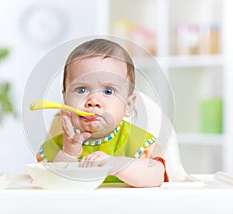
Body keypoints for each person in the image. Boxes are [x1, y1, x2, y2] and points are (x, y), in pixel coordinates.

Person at [36, 38, 169, 187]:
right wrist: (69, 152)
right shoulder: (60, 144)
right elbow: (55, 183)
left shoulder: (136, 142)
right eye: (81, 90)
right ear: (65, 100)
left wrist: (116, 165)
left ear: (128, 105)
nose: (93, 101)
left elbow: (156, 176)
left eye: (108, 91)